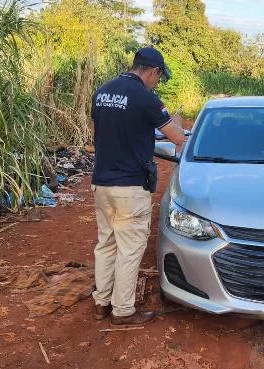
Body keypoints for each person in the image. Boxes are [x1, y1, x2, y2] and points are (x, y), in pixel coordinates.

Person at [89, 47, 187, 326]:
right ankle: (123, 311)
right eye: (159, 77)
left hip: (102, 183)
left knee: (106, 244)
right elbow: (177, 137)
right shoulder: (147, 98)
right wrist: (176, 122)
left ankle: (101, 302)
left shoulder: (103, 91)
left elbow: (101, 132)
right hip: (130, 187)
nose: (157, 82)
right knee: (130, 249)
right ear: (154, 71)